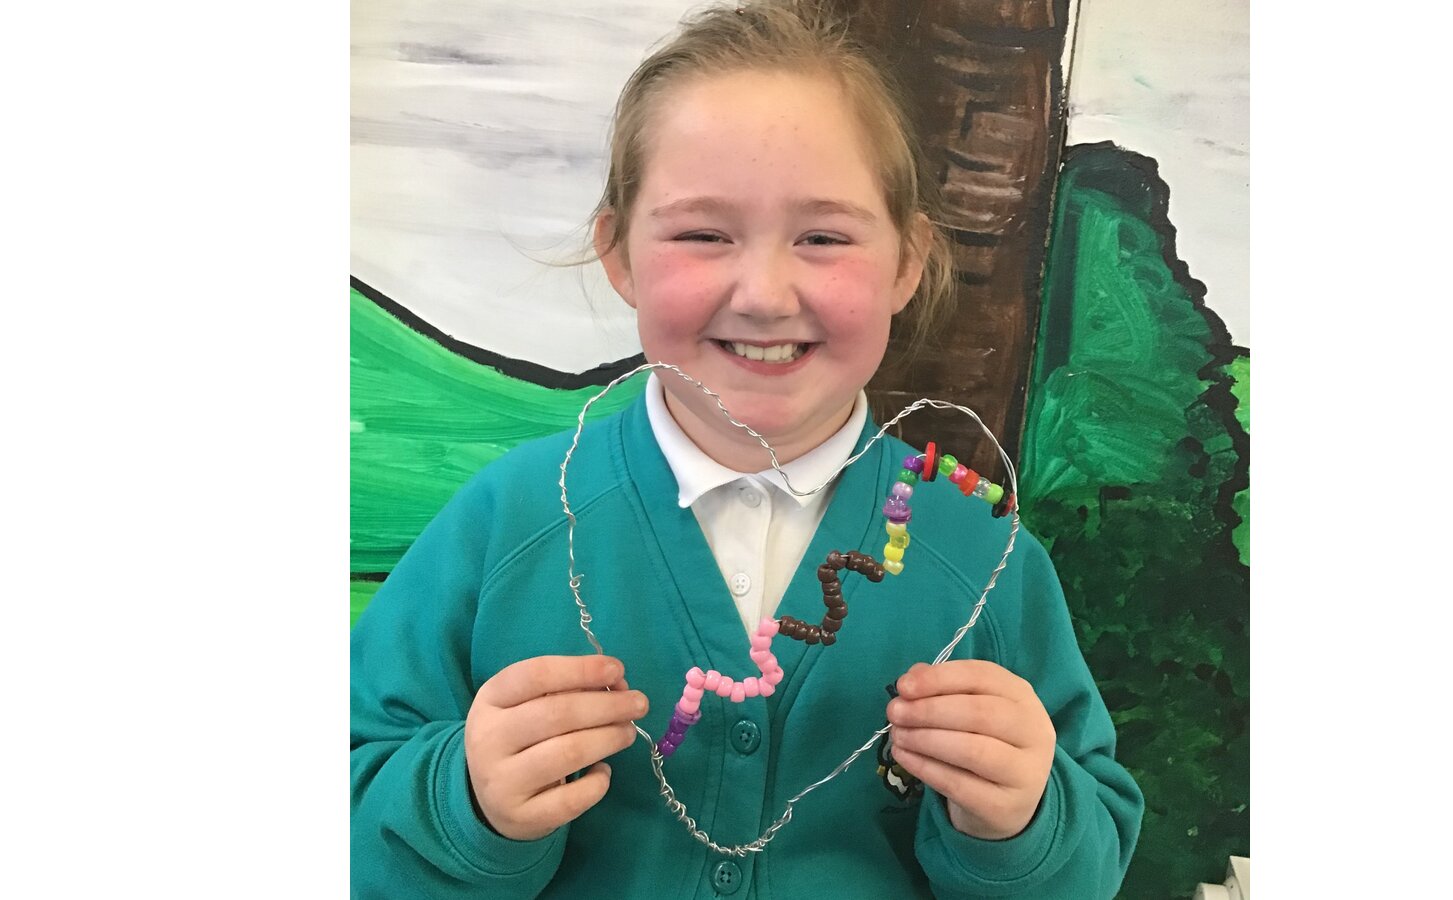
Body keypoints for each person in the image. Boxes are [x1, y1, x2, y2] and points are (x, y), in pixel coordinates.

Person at [350, 2, 1143, 896]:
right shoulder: (507, 524)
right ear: (618, 253)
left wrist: (1026, 823)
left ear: (908, 262)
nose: (764, 294)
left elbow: (1088, 859)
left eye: (823, 238)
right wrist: (459, 803)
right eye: (703, 234)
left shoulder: (987, 558)